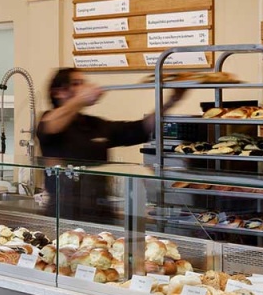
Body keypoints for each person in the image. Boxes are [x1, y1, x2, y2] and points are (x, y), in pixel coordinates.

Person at [36, 66, 185, 220]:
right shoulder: (49, 121)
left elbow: (140, 129)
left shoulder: (93, 124)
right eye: (76, 83)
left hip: (100, 212)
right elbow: (49, 126)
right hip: (64, 214)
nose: (84, 87)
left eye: (83, 83)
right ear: (58, 92)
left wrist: (171, 101)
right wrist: (80, 100)